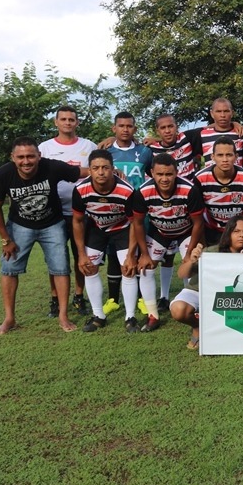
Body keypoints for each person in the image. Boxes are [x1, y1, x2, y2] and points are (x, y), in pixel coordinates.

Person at [0, 137, 89, 334]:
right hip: (19, 226)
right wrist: (5, 239)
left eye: (31, 156)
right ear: (13, 158)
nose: (26, 161)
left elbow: (81, 172)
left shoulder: (52, 167)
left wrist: (109, 170)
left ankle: (63, 315)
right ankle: (9, 318)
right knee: (9, 268)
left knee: (60, 268)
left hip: (52, 224)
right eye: (21, 157)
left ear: (39, 156)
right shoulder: (3, 174)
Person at [132, 153, 205, 332]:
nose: (164, 179)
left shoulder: (189, 189)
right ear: (151, 173)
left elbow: (198, 223)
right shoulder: (142, 191)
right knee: (146, 268)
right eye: (160, 174)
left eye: (169, 174)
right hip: (160, 231)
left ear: (176, 172)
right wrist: (144, 253)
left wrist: (188, 255)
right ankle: (152, 316)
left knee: (193, 266)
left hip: (186, 230)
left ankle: (196, 310)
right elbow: (138, 223)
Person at [71, 150, 141, 333]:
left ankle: (130, 317)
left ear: (112, 169)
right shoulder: (80, 189)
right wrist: (81, 254)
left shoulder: (126, 190)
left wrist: (132, 255)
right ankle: (98, 316)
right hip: (97, 227)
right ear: (90, 170)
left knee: (128, 269)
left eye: (105, 168)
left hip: (123, 228)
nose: (100, 172)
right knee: (89, 267)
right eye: (95, 168)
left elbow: (135, 224)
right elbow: (77, 221)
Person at [39, 106, 97, 318]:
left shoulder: (88, 145)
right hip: (52, 212)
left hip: (82, 212)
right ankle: (55, 299)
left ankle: (79, 296)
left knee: (80, 255)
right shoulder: (44, 148)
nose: (67, 123)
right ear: (56, 122)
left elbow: (99, 165)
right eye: (63, 119)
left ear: (77, 122)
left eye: (72, 119)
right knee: (56, 258)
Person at [172, 215, 243, 350]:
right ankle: (198, 327)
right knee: (178, 310)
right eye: (236, 231)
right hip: (198, 290)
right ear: (228, 233)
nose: (241, 236)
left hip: (228, 297)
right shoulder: (211, 252)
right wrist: (192, 260)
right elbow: (182, 274)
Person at [104, 111, 154, 316]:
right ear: (113, 128)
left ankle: (142, 299)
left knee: (141, 253)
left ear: (134, 128)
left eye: (129, 126)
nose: (125, 129)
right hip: (113, 211)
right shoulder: (106, 151)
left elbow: (155, 174)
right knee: (113, 255)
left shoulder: (145, 152)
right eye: (121, 126)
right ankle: (113, 300)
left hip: (139, 211)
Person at [193, 137, 243, 246]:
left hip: (237, 231)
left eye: (229, 155)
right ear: (212, 157)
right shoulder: (200, 178)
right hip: (211, 229)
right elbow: (198, 214)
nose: (225, 159)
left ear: (236, 157)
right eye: (220, 155)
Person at [200, 98, 243, 167]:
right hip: (210, 177)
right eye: (218, 111)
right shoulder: (202, 134)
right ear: (212, 113)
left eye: (226, 111)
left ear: (232, 113)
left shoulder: (242, 132)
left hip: (237, 177)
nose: (222, 115)